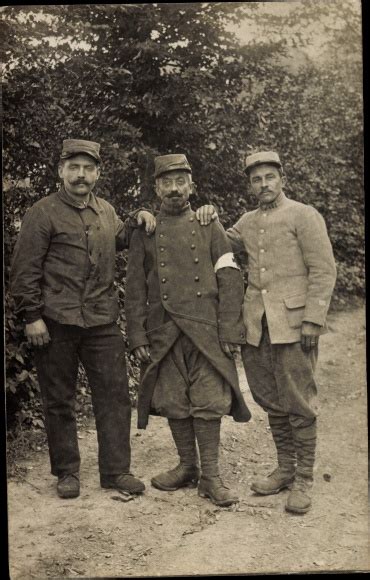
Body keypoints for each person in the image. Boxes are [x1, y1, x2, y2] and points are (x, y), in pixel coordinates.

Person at [10, 139, 156, 499]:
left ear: (98, 173)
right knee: (59, 399)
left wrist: (138, 219)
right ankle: (67, 472)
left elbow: (118, 239)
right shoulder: (42, 213)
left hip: (102, 321)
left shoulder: (106, 211)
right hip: (55, 322)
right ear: (61, 171)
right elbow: (23, 271)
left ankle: (116, 471)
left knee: (115, 396)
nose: (81, 175)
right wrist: (32, 317)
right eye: (74, 167)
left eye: (88, 168)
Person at [196, 150, 337, 514]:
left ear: (281, 178)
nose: (264, 184)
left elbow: (323, 270)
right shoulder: (246, 220)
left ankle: (304, 478)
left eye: (269, 177)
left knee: (299, 400)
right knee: (270, 399)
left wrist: (312, 319)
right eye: (256, 179)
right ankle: (285, 469)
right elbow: (216, 244)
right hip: (256, 326)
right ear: (250, 185)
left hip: (293, 325)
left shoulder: (303, 215)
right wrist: (206, 213)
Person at [125, 153, 251, 507]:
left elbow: (229, 277)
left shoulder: (208, 224)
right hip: (163, 330)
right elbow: (135, 287)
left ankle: (211, 477)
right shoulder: (145, 230)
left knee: (209, 401)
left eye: (181, 182)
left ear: (192, 187)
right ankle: (187, 466)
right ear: (156, 188)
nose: (175, 189)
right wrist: (137, 336)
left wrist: (230, 330)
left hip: (206, 330)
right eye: (167, 182)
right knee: (173, 400)